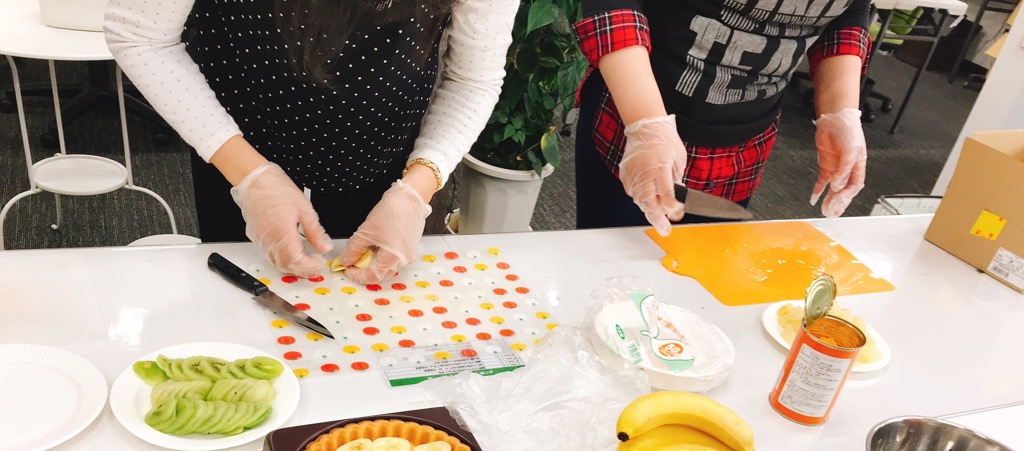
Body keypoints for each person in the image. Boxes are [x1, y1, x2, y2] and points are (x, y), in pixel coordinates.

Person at [104, 0, 517, 283]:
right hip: (234, 119)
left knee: (363, 297)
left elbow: (472, 78)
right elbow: (141, 35)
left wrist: (416, 190)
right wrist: (251, 178)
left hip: (379, 134)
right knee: (244, 289)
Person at [573, 0, 871, 235]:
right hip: (638, 117)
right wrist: (646, 124)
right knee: (611, 272)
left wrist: (842, 112)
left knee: (700, 278)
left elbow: (848, 12)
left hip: (744, 144)